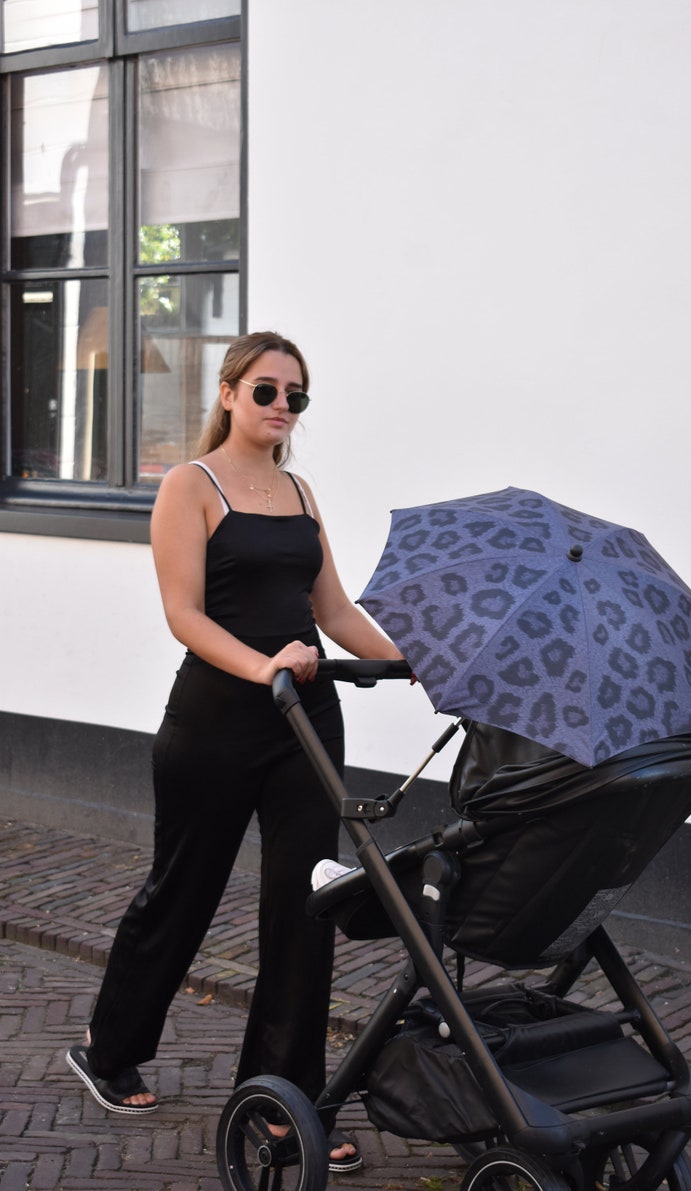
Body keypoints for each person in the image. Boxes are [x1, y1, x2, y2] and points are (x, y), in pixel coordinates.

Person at [67, 330, 401, 1172]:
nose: (282, 405)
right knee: (183, 889)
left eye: (296, 395)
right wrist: (266, 666)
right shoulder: (191, 484)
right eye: (266, 390)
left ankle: (283, 1102)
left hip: (305, 719)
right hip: (218, 717)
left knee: (304, 905)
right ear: (227, 393)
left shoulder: (298, 491)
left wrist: (408, 660)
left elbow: (331, 607)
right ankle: (109, 1046)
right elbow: (183, 613)